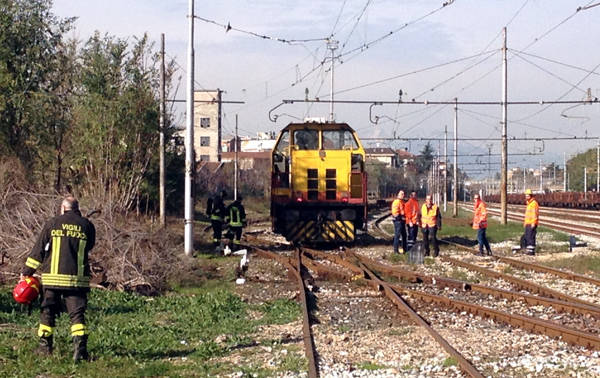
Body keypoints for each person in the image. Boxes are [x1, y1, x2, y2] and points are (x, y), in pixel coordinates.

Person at [20, 196, 96, 362]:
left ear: (63, 208)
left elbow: (38, 250)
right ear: (78, 208)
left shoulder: (52, 223)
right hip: (76, 280)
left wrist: (27, 272)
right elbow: (89, 246)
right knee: (77, 316)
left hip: (52, 280)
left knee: (47, 312)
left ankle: (44, 347)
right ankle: (80, 351)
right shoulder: (87, 225)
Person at [523, 189, 539, 255]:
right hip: (528, 223)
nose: (526, 197)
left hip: (532, 223)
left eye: (528, 196)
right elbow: (527, 215)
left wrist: (533, 223)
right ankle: (529, 250)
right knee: (527, 237)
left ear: (531, 196)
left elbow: (535, 214)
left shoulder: (534, 204)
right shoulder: (529, 204)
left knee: (531, 237)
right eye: (526, 196)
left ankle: (531, 251)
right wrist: (525, 223)